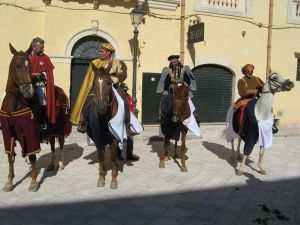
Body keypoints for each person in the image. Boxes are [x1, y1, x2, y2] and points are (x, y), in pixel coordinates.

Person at [70, 42, 129, 133]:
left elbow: (123, 75)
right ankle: (83, 122)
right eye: (100, 51)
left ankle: (127, 124)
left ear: (108, 52)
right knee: (87, 100)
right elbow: (90, 77)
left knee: (124, 99)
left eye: (102, 51)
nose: (99, 53)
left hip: (113, 86)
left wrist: (113, 80)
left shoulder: (118, 63)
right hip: (98, 87)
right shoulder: (95, 63)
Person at [156, 55, 196, 122]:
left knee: (190, 98)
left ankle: (194, 114)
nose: (174, 64)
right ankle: (161, 115)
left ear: (178, 62)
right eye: (172, 63)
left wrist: (186, 83)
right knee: (164, 98)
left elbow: (188, 79)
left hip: (182, 88)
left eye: (175, 62)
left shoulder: (184, 69)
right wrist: (170, 85)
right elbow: (166, 81)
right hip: (172, 89)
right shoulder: (168, 70)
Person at [29, 37, 56, 129]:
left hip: (38, 85)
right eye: (41, 48)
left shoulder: (45, 58)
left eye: (43, 47)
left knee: (41, 98)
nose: (43, 49)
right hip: (26, 84)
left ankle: (42, 121)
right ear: (34, 47)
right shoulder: (27, 56)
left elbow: (46, 74)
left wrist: (40, 75)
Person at [233, 64, 265, 134]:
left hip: (257, 98)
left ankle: (271, 123)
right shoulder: (241, 80)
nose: (250, 72)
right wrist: (253, 91)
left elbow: (264, 87)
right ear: (244, 71)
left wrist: (261, 87)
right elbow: (242, 92)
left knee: (267, 105)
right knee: (243, 109)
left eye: (251, 71)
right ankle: (241, 128)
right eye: (248, 71)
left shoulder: (257, 79)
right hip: (246, 99)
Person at [118, 82, 139, 161]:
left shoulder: (129, 96)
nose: (125, 92)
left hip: (128, 120)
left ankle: (129, 155)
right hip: (120, 120)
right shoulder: (118, 97)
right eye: (124, 90)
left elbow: (132, 109)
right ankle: (118, 155)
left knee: (130, 138)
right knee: (119, 138)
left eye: (126, 91)